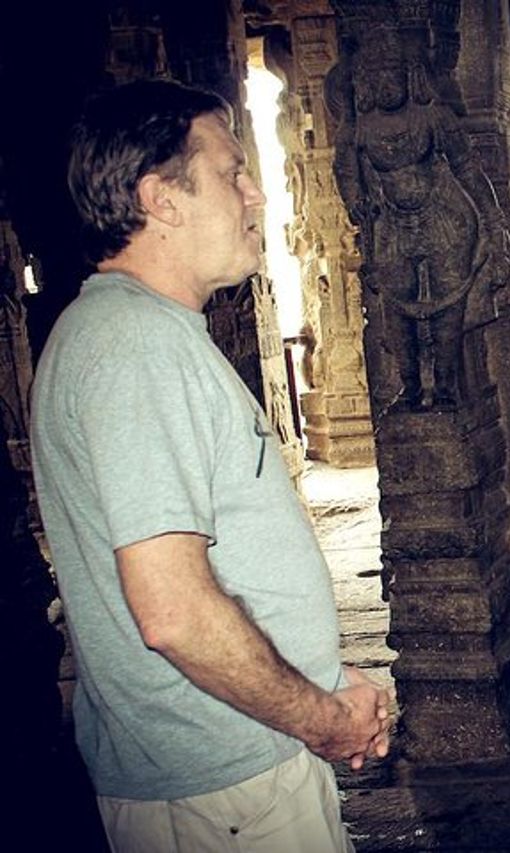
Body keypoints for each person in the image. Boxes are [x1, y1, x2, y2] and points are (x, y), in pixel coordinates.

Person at [30, 79, 392, 851]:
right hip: (225, 789)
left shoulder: (143, 334)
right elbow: (175, 611)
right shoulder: (136, 349)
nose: (256, 191)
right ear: (161, 198)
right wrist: (323, 719)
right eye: (231, 170)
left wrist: (321, 677)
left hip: (231, 764)